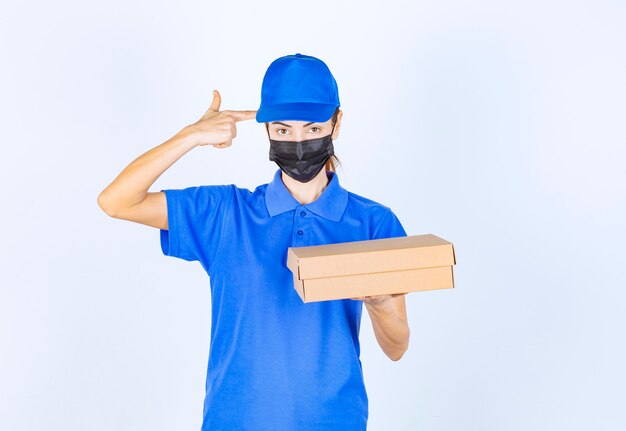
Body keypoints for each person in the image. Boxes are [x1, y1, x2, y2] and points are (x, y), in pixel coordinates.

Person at [98, 53, 410, 431]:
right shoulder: (225, 213)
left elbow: (396, 347)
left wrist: (378, 302)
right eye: (283, 130)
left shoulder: (374, 223)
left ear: (336, 122)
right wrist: (191, 136)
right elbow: (116, 201)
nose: (297, 142)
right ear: (265, 130)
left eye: (312, 129)